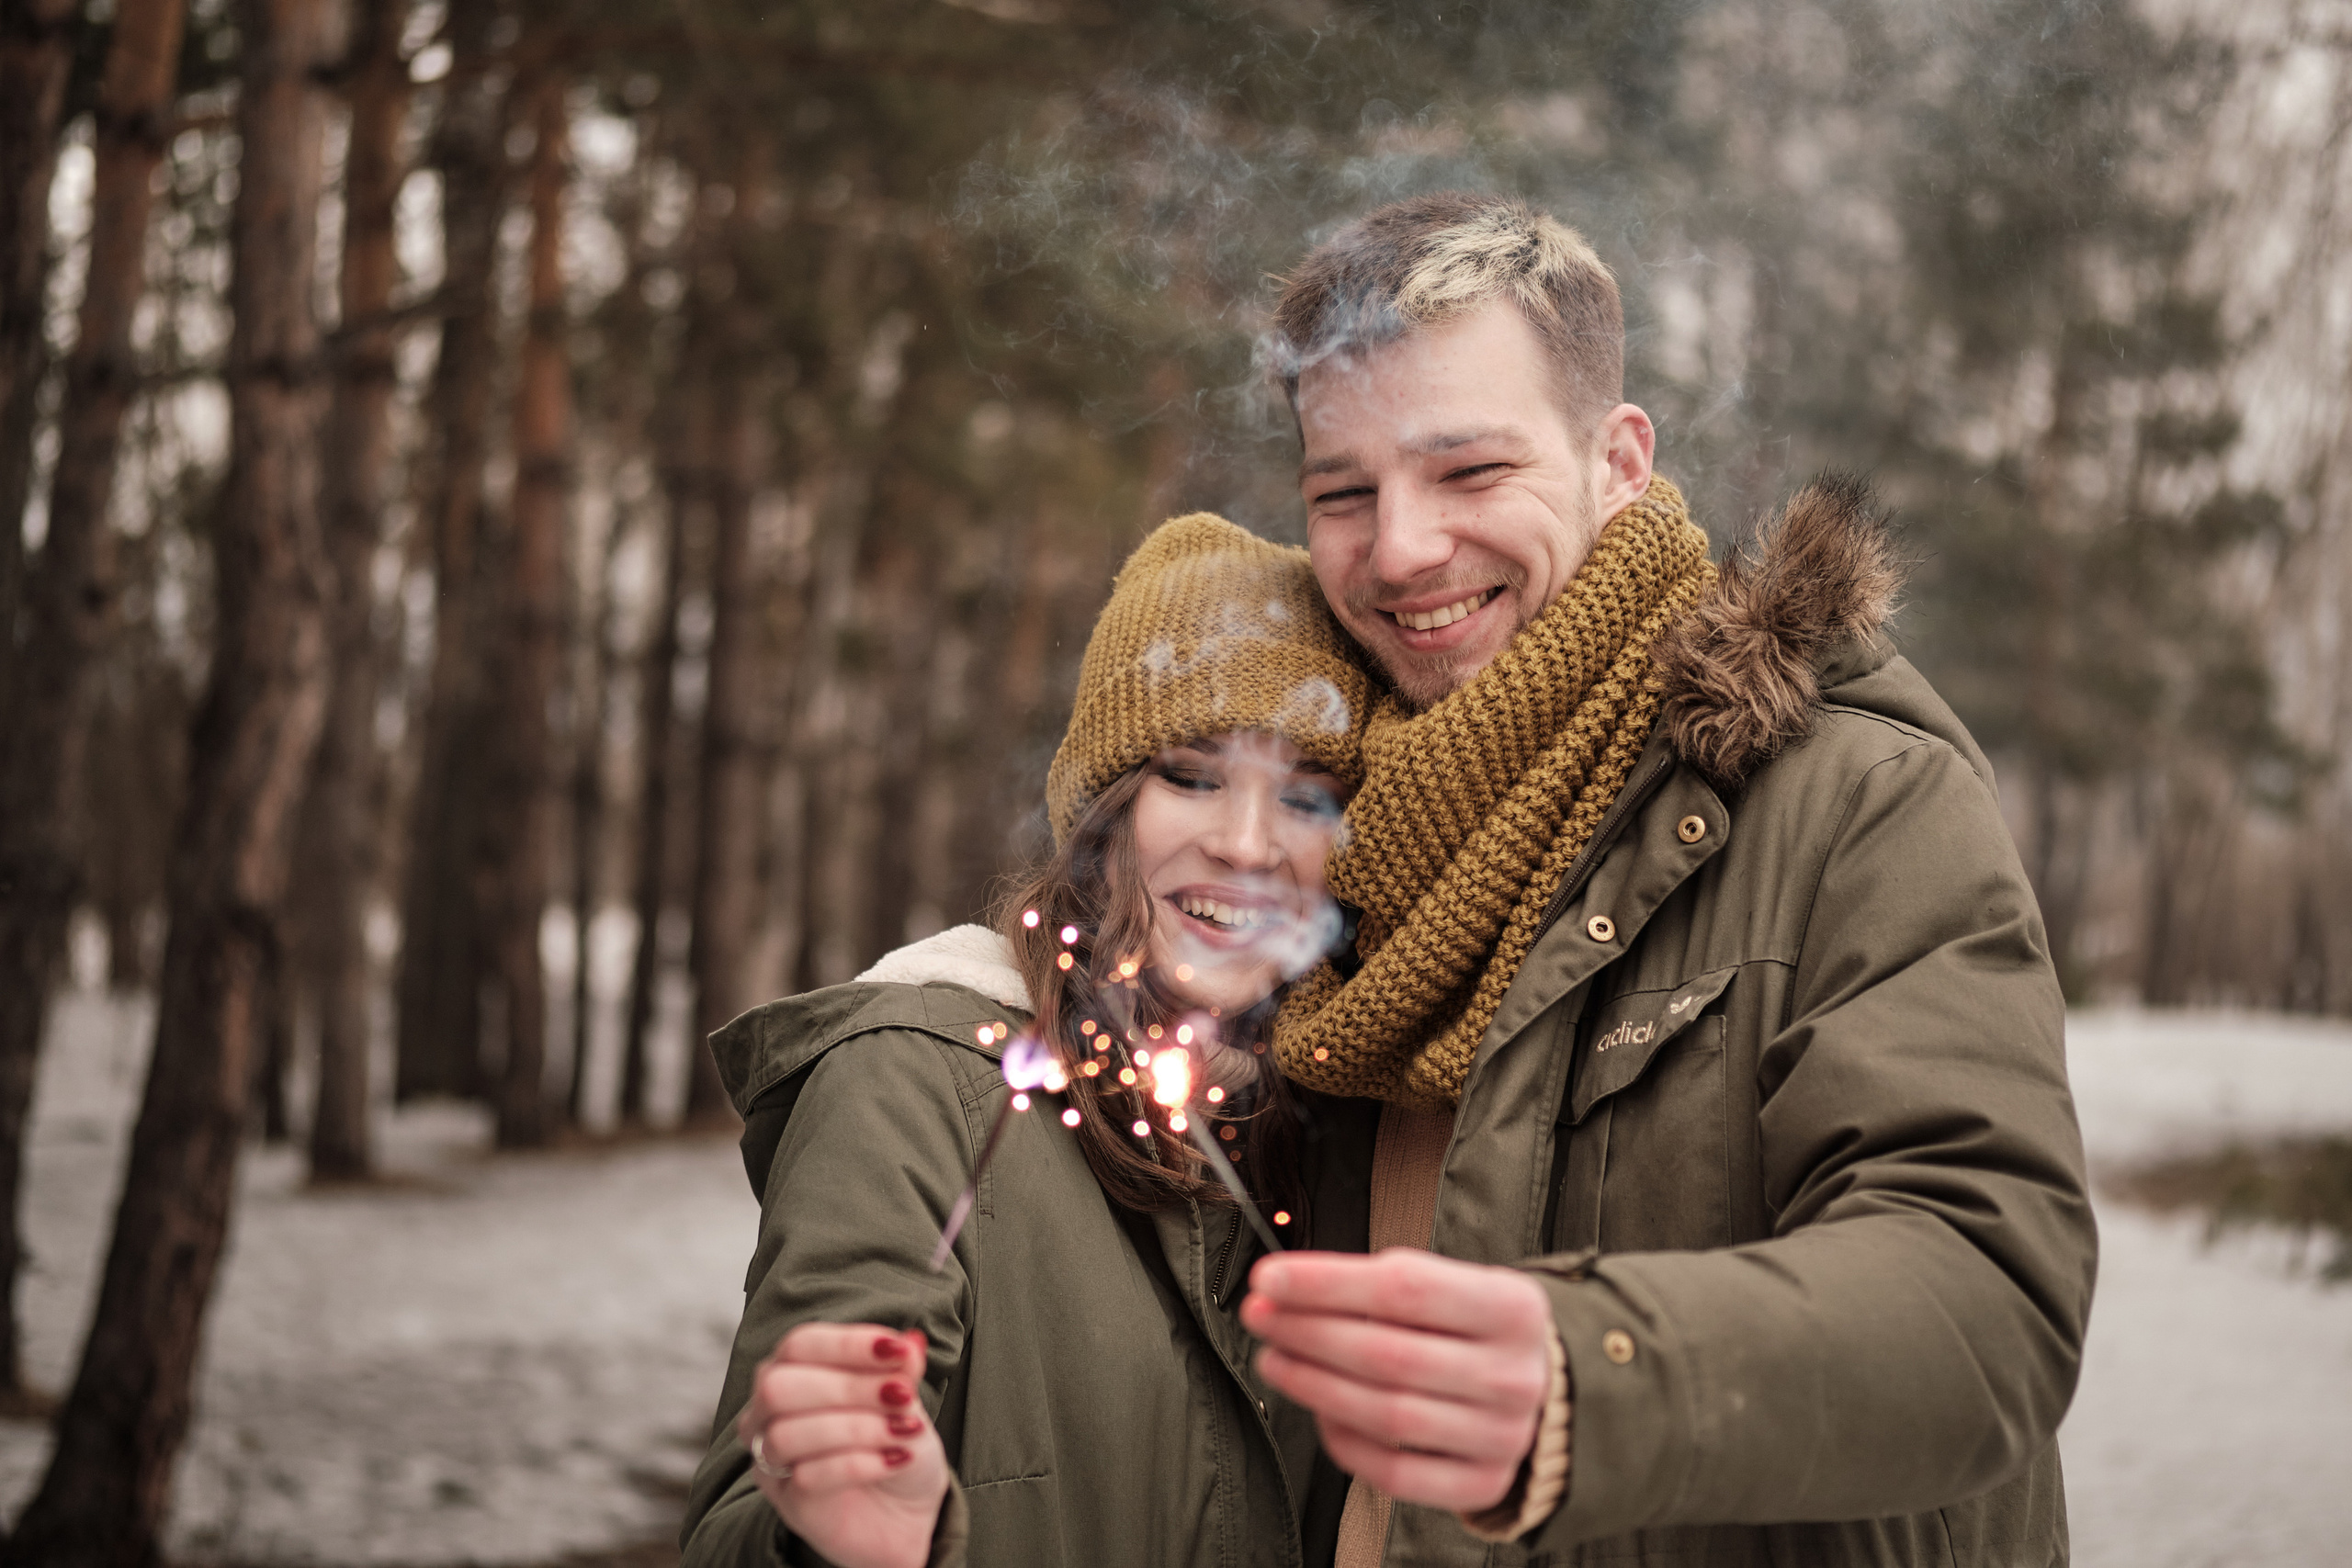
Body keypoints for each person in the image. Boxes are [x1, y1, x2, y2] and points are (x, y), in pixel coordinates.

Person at [1239, 192, 2098, 1566]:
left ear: (1619, 461)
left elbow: (1986, 1295)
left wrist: (1593, 1378)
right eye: (1344, 490)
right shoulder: (1310, 840)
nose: (1398, 548)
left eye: (1467, 471)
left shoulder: (1861, 800)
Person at [679, 513, 1372, 1568]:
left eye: (1306, 796)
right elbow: (747, 1519)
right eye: (1191, 774)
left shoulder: (1366, 1132)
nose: (1244, 844)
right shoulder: (914, 1083)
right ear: (1105, 812)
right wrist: (835, 1537)